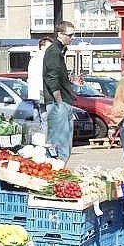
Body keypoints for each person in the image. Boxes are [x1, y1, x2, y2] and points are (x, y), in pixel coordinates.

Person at [43, 21, 75, 162]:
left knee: (64, 144)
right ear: (60, 34)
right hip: (58, 104)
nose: (71, 38)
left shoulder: (59, 51)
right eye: (69, 35)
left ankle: (59, 173)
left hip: (63, 102)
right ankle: (57, 175)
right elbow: (51, 78)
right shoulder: (54, 51)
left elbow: (56, 76)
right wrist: (59, 101)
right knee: (59, 145)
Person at [28, 36, 54, 102]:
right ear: (42, 47)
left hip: (38, 93)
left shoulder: (35, 58)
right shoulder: (41, 59)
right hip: (42, 92)